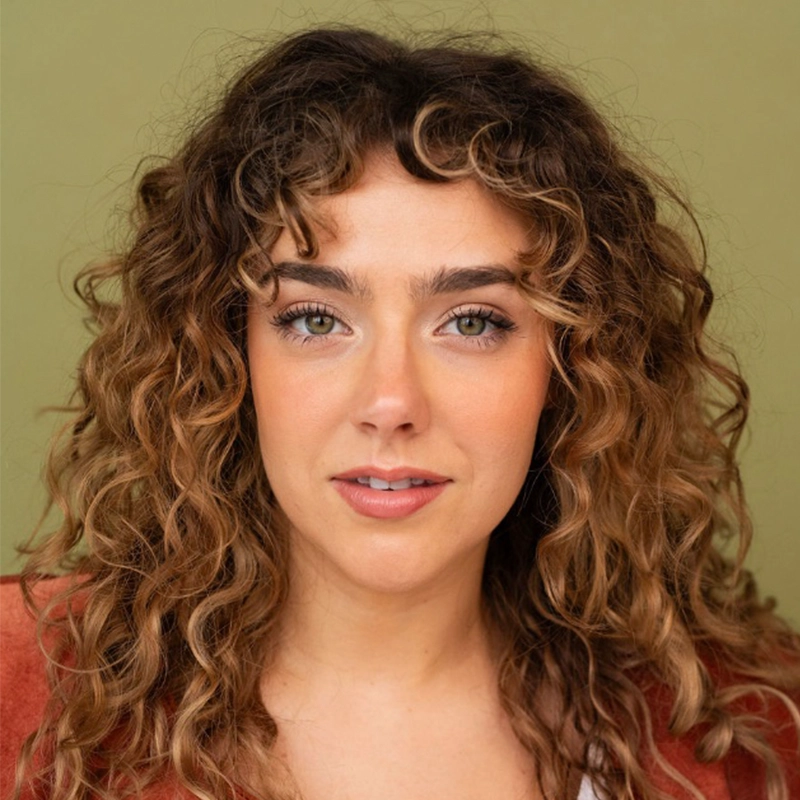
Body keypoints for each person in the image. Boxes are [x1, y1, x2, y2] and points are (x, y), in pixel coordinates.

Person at [1, 25, 798, 800]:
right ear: (226, 354)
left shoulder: (755, 737)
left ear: (575, 365)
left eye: (473, 322)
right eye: (315, 320)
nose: (390, 404)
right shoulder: (23, 688)